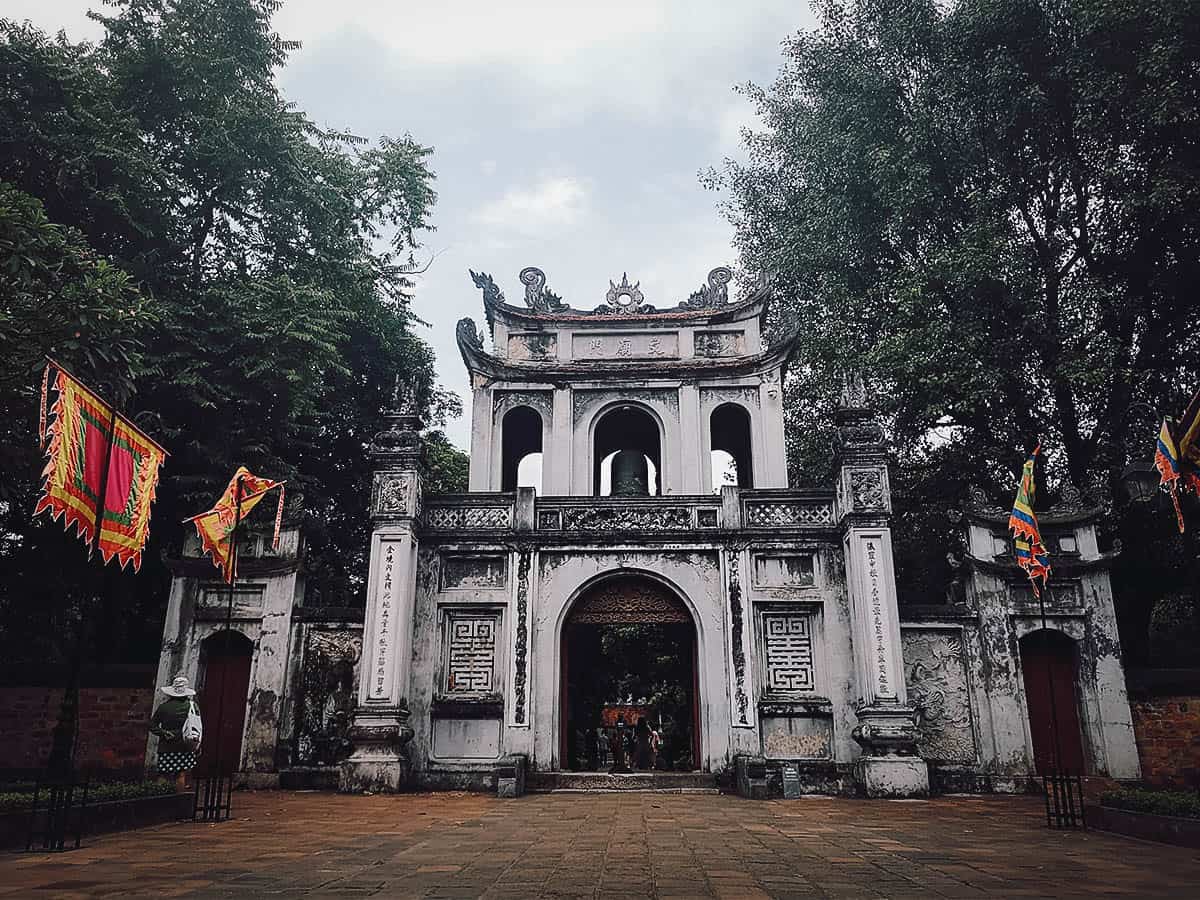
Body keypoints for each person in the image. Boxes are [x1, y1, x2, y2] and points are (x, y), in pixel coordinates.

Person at [151, 675, 201, 790]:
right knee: (181, 773)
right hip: (185, 743)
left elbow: (152, 725)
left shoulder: (164, 707)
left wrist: (163, 732)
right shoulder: (192, 706)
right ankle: (178, 799)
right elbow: (197, 726)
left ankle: (159, 797)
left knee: (163, 773)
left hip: (167, 744)